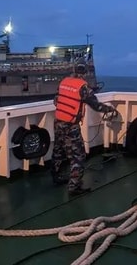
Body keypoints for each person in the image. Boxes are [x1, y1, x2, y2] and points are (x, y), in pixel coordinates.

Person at [51, 58, 118, 196]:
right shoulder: (83, 87)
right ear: (85, 72)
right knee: (78, 156)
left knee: (58, 151)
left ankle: (56, 177)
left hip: (58, 122)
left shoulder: (63, 82)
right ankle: (74, 187)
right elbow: (96, 106)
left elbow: (56, 100)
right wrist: (109, 109)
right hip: (71, 126)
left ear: (74, 70)